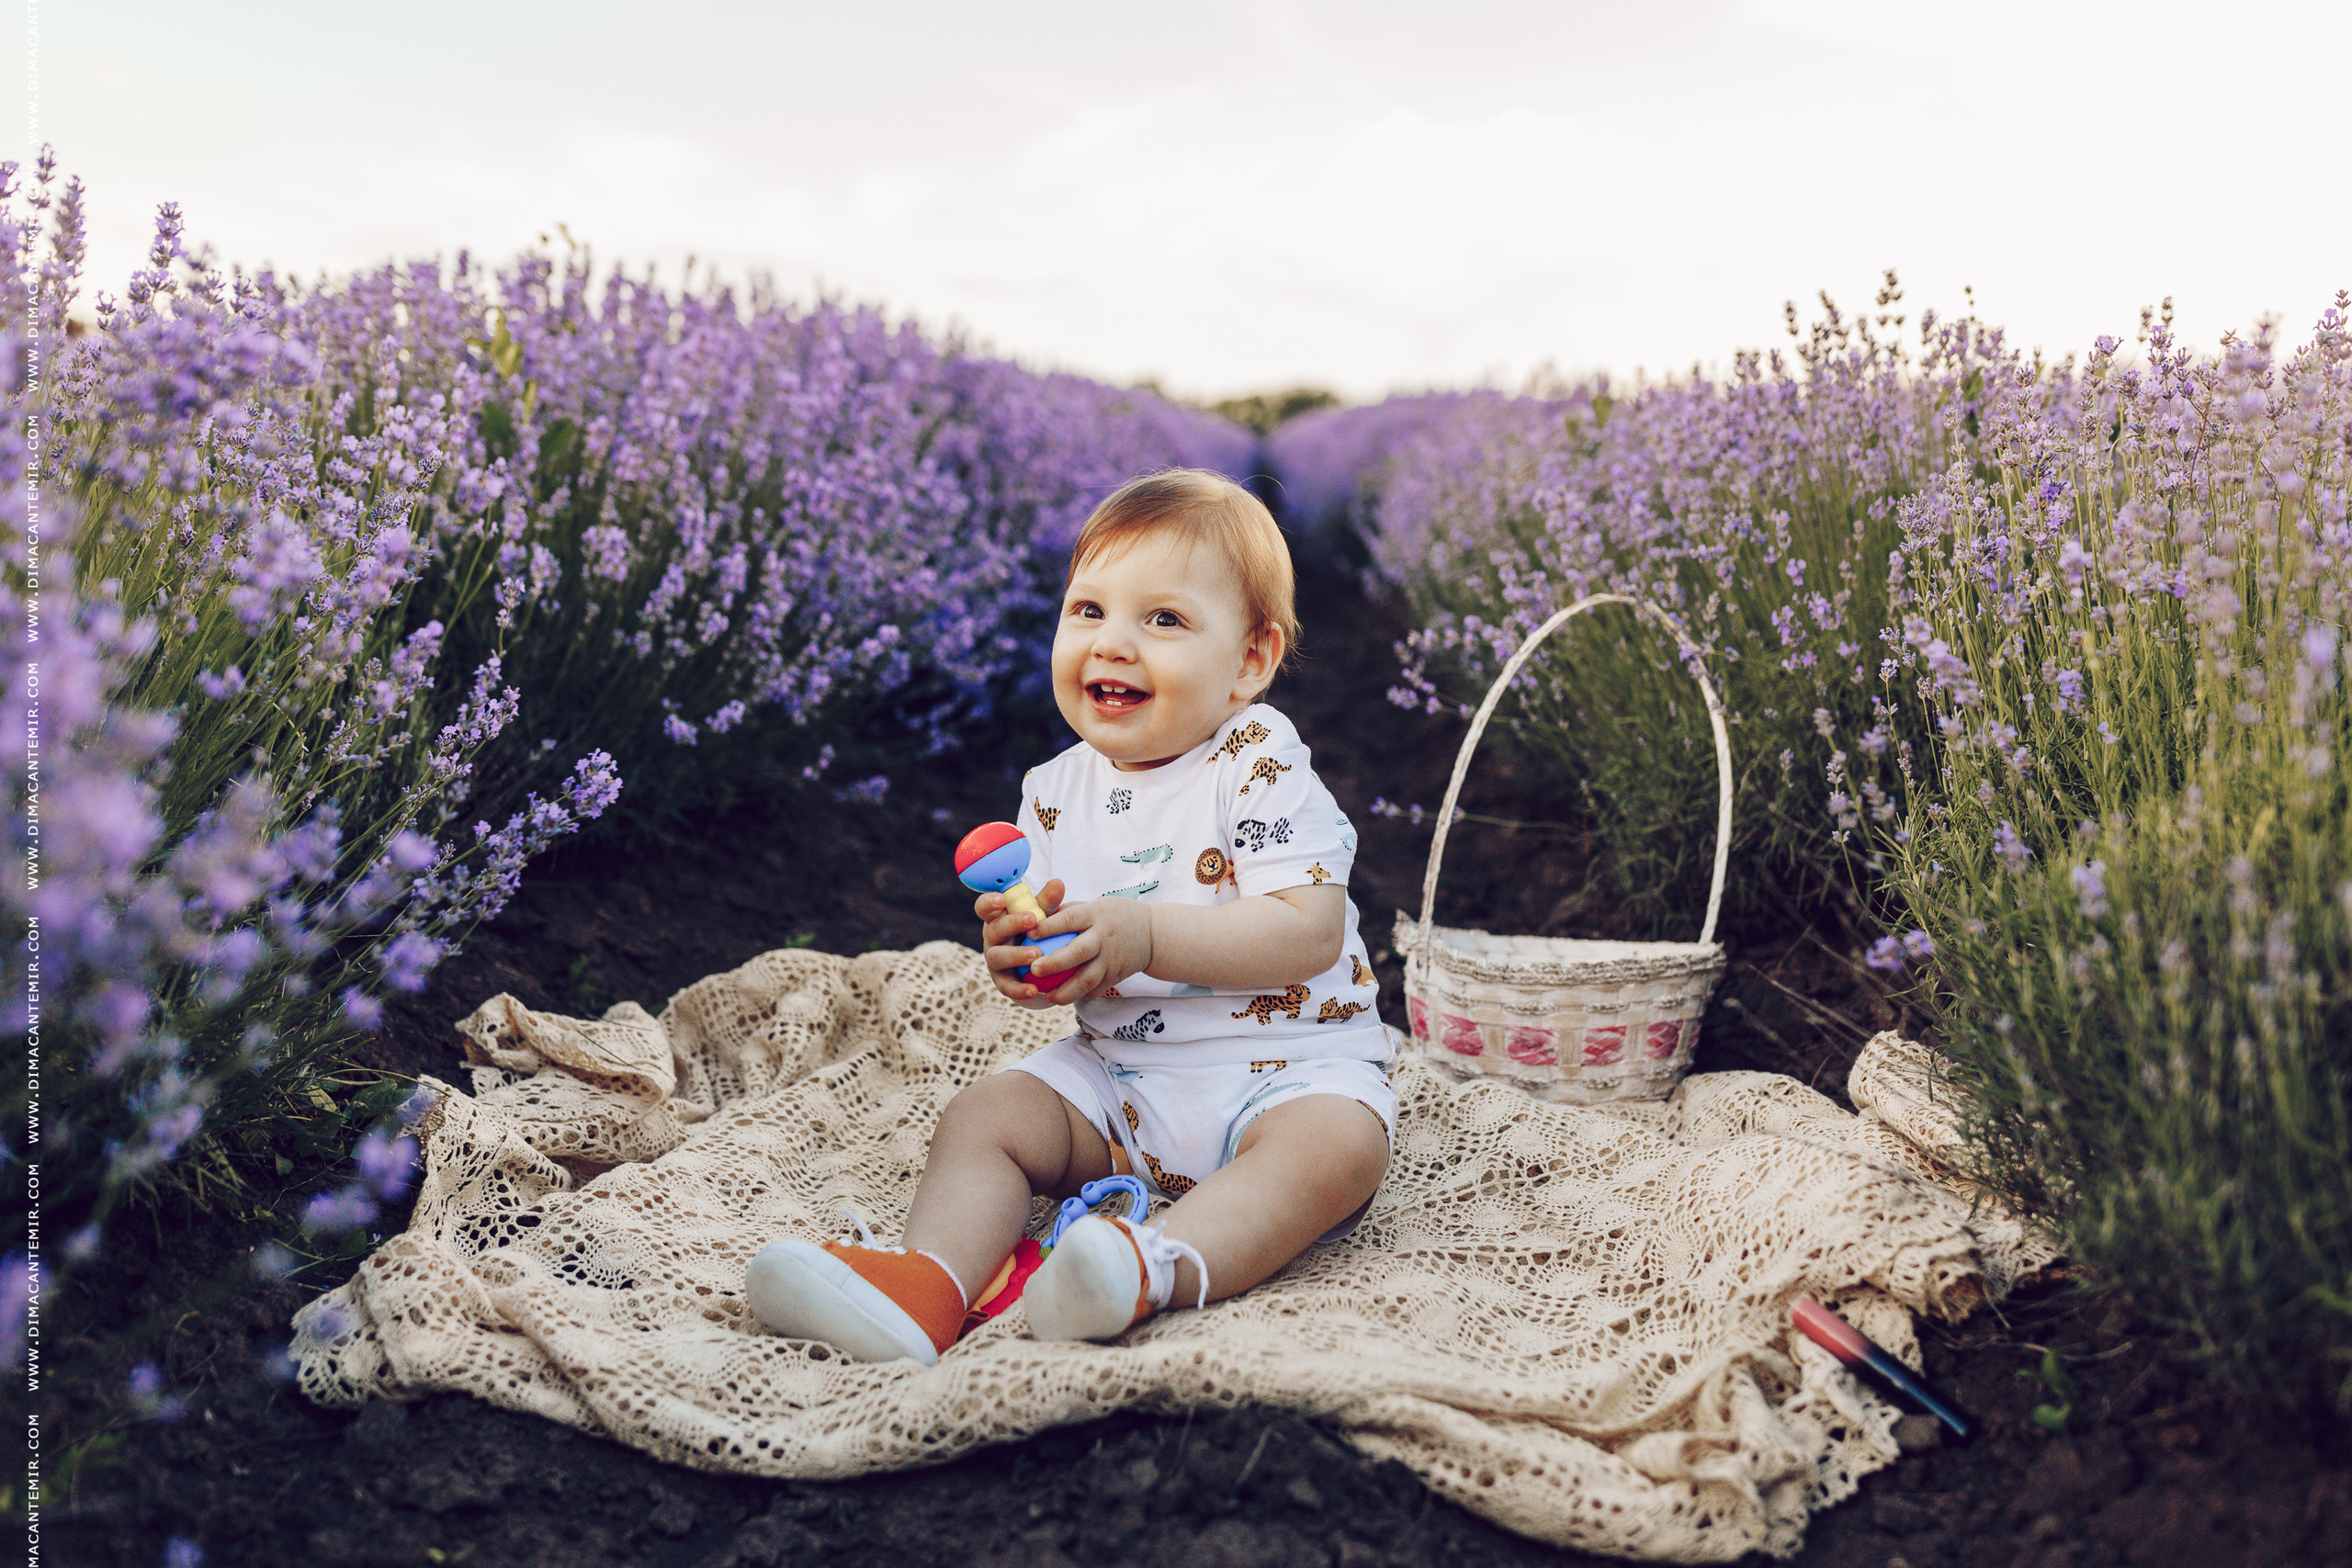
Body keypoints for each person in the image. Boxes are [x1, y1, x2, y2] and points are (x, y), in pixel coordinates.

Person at [744, 468, 1395, 1364]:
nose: (1112, 643)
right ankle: (926, 1285)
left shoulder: (1258, 762)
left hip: (1285, 1075)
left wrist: (1145, 935)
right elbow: (1060, 955)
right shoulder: (1053, 791)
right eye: (1088, 609)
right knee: (988, 1114)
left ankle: (1145, 1267)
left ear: (1250, 661)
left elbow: (1307, 931)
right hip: (1119, 1081)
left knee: (1338, 1149)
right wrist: (1024, 958)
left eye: (1163, 619)